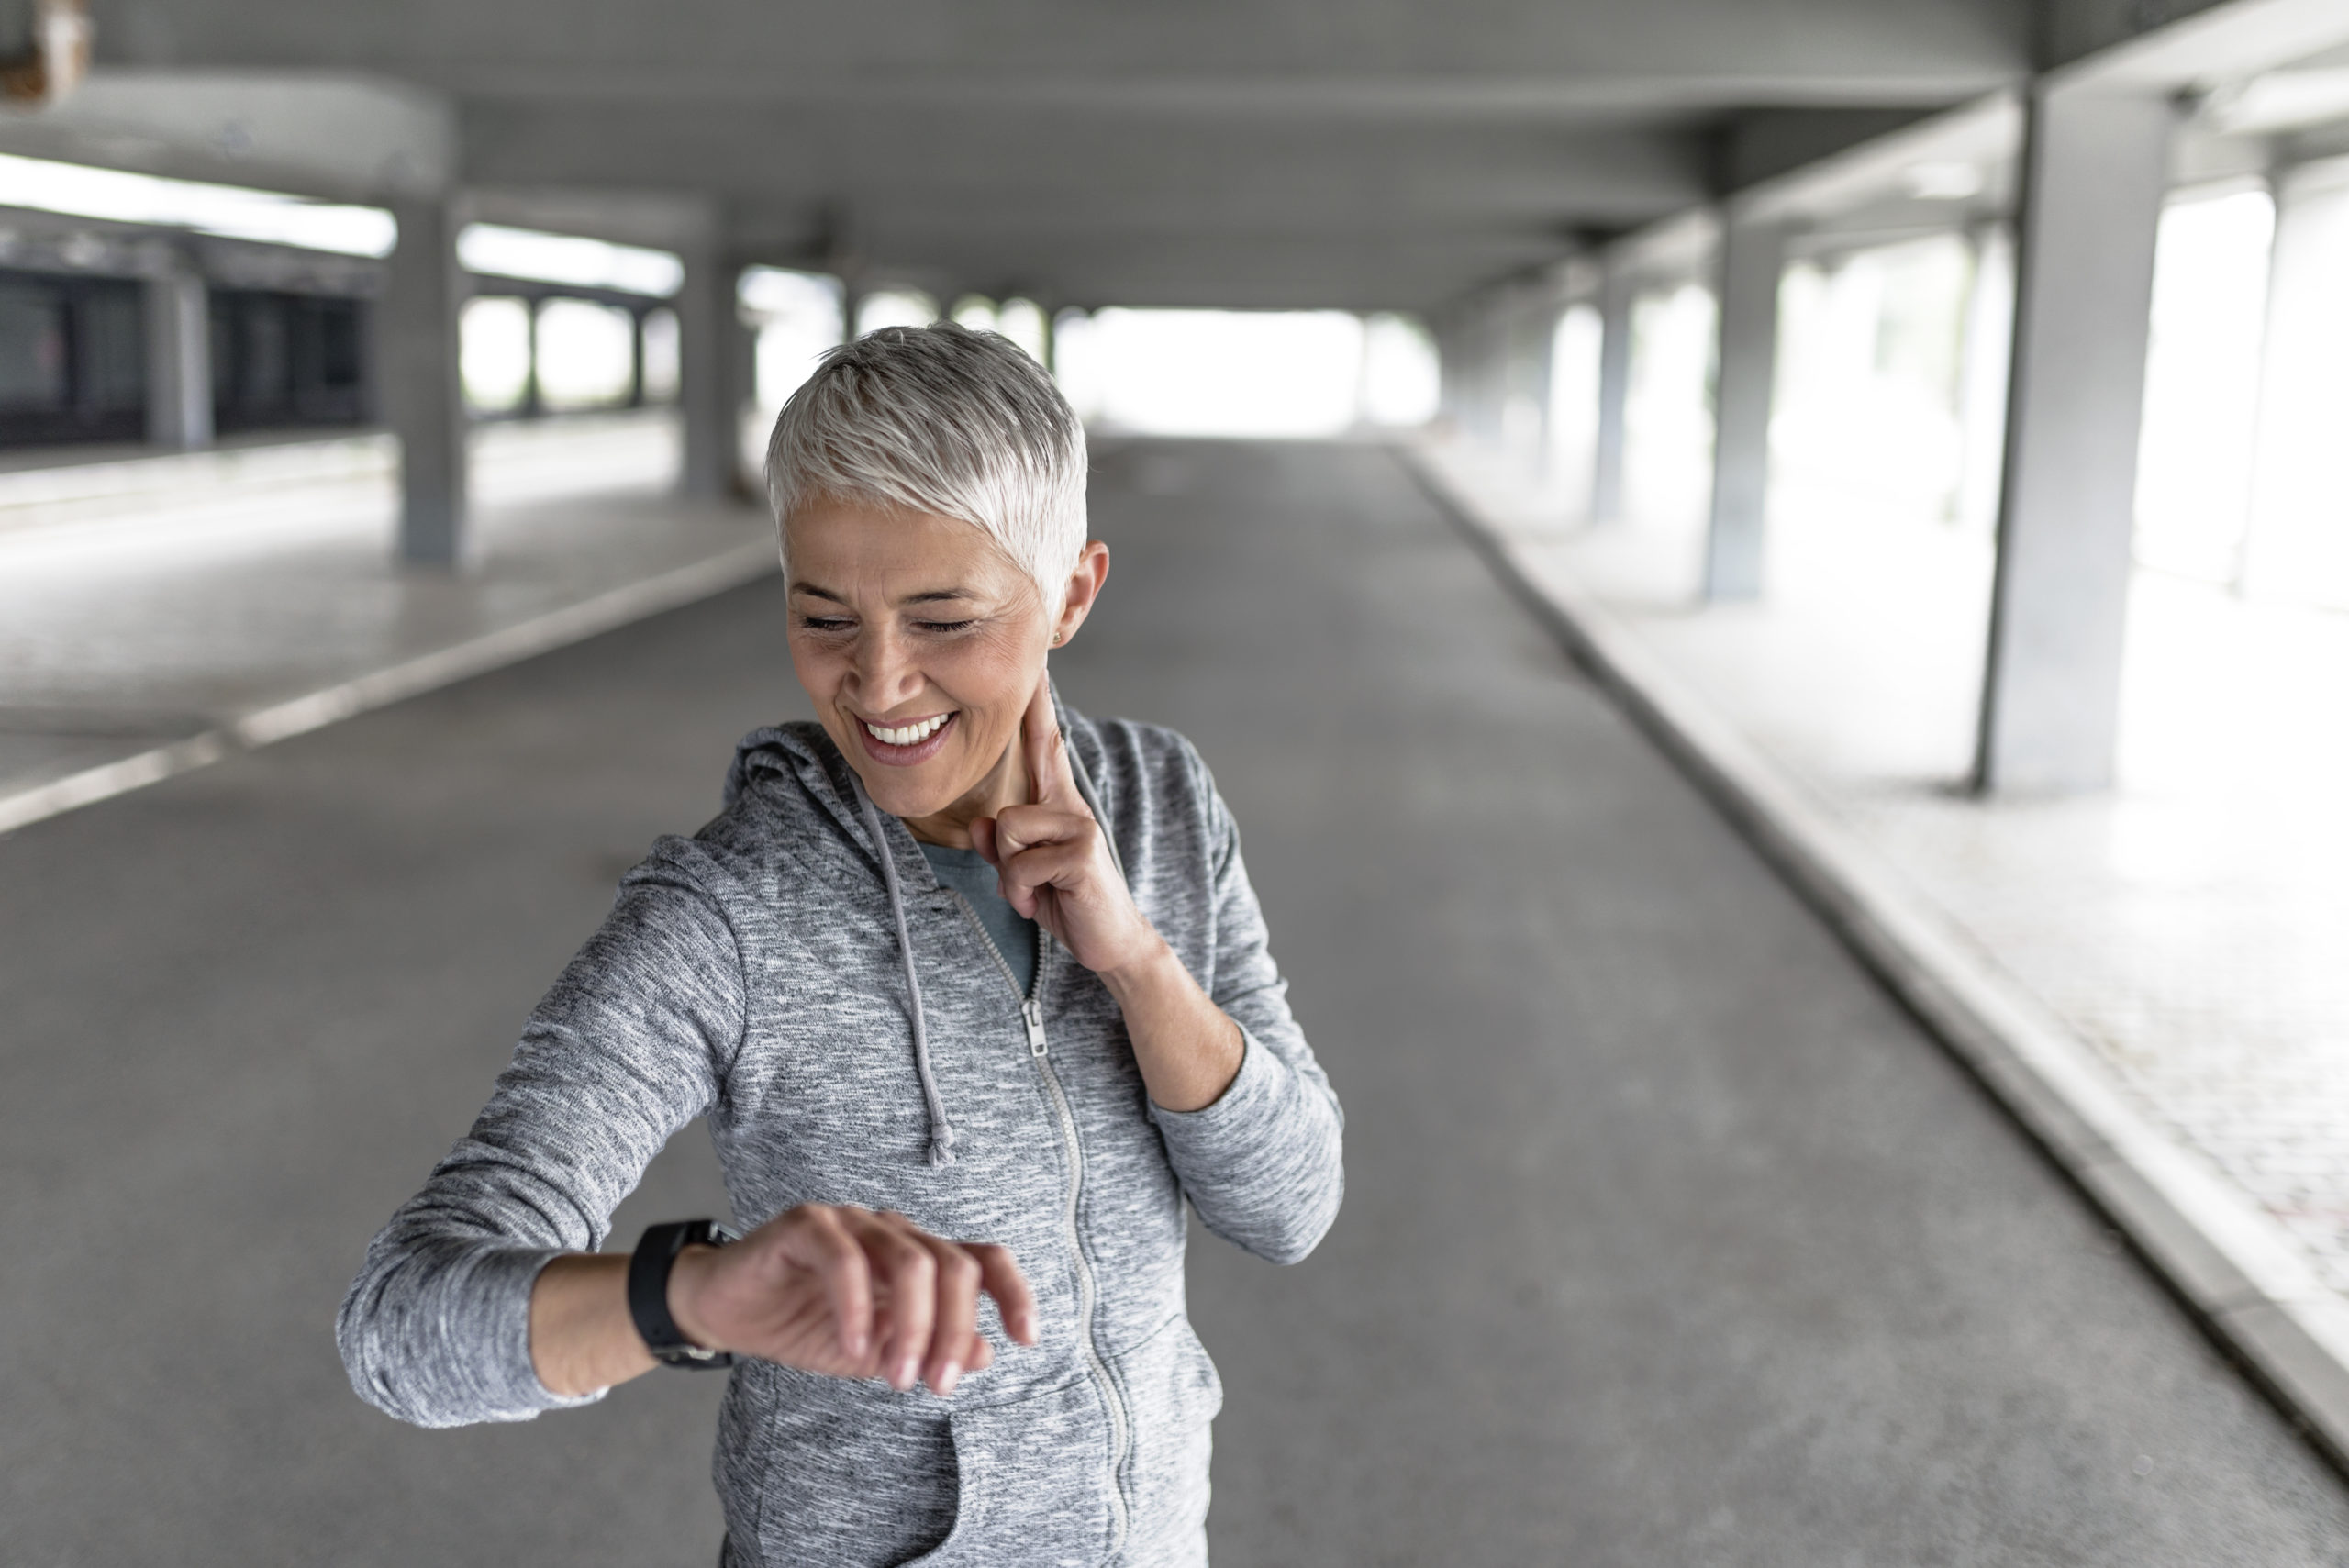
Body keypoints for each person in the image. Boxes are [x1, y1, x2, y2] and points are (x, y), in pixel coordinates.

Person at [337, 323, 1345, 1568]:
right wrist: (687, 1296)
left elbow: (1294, 1201)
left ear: (1071, 593)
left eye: (942, 618)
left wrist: (1136, 960)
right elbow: (399, 1323)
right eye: (825, 617)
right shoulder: (728, 912)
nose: (877, 684)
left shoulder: (1163, 805)